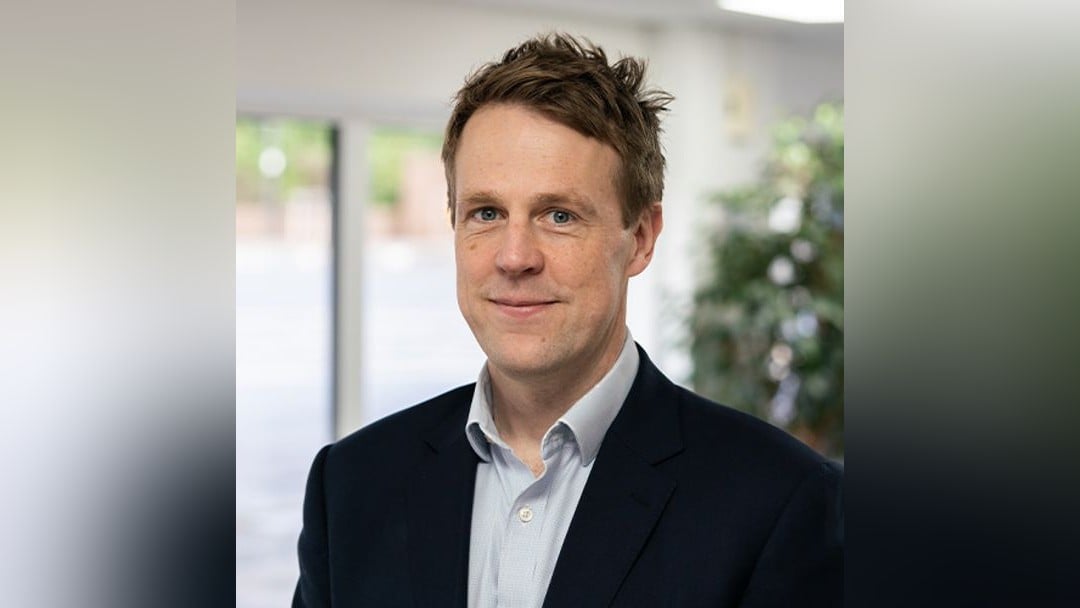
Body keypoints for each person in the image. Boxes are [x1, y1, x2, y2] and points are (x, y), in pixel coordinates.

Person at [293, 33, 842, 608]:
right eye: (486, 212)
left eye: (558, 215)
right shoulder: (352, 485)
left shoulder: (779, 501)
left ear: (640, 238)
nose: (514, 257)